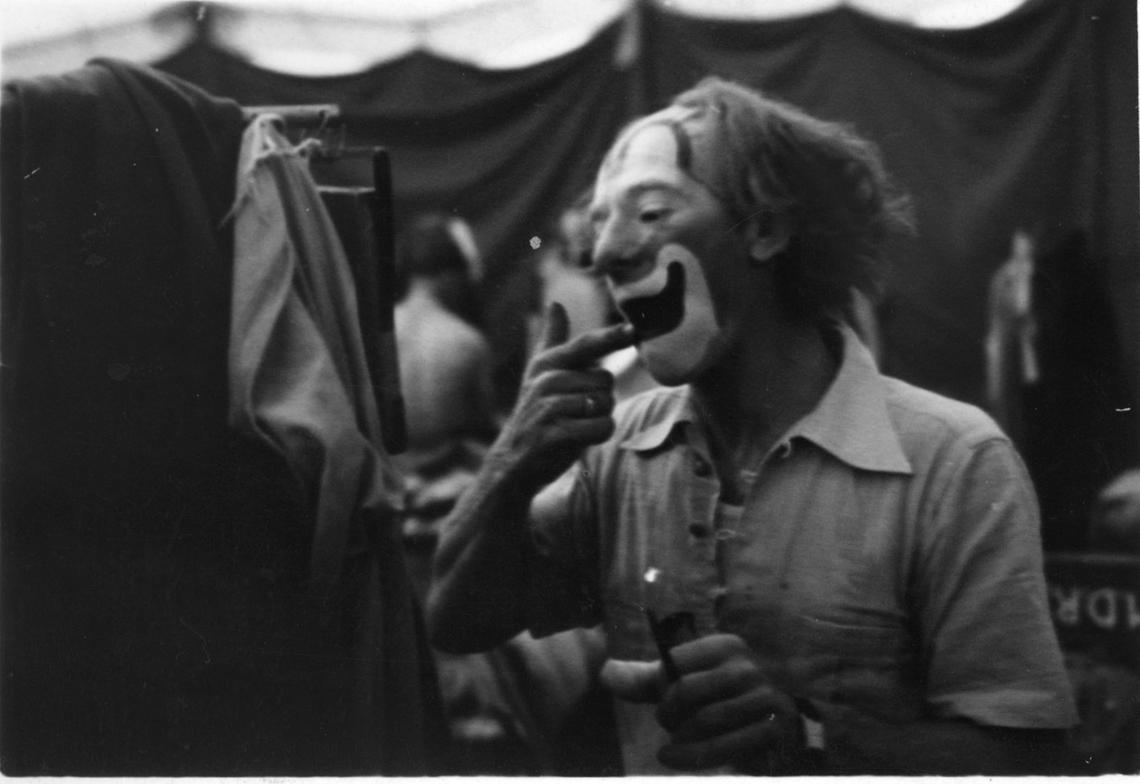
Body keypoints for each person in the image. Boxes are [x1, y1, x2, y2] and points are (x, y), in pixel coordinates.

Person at [427, 77, 1077, 775]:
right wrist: (514, 460)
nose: (606, 254)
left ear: (766, 227)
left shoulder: (954, 461)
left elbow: (1030, 758)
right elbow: (461, 621)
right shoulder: (620, 451)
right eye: (600, 223)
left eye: (649, 213)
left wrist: (814, 742)